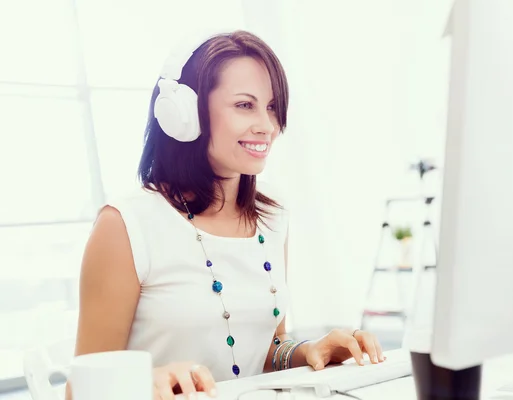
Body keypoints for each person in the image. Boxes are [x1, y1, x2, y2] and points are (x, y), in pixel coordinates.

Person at [71, 30, 385, 400]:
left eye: (271, 107)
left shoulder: (272, 216)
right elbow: (81, 390)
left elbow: (265, 349)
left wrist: (308, 351)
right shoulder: (125, 225)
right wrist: (144, 383)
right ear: (184, 114)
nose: (267, 126)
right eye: (244, 105)